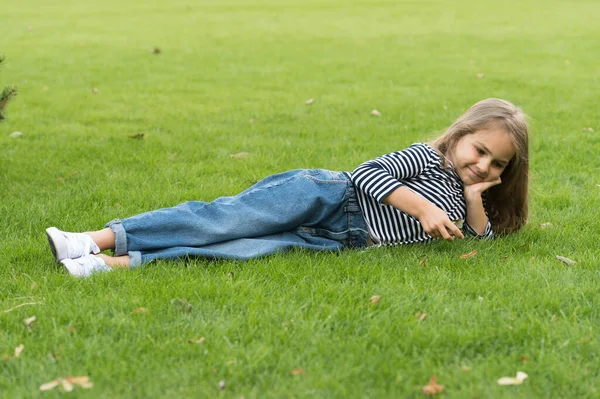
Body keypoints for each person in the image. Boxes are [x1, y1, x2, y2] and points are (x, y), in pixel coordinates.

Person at [45, 98, 529, 277]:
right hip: (325, 195)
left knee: (241, 250)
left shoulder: (469, 199)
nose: (482, 164)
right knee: (222, 220)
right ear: (460, 135)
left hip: (337, 240)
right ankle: (91, 238)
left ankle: (106, 265)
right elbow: (367, 175)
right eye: (478, 150)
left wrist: (473, 199)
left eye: (497, 163)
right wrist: (422, 210)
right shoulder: (426, 156)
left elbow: (480, 245)